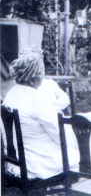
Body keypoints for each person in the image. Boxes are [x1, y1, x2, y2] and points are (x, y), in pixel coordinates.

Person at [2, 47, 79, 179]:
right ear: (32, 80)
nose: (42, 81)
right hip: (38, 163)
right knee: (84, 158)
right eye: (40, 77)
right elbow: (58, 133)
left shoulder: (11, 94)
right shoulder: (37, 98)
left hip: (16, 160)